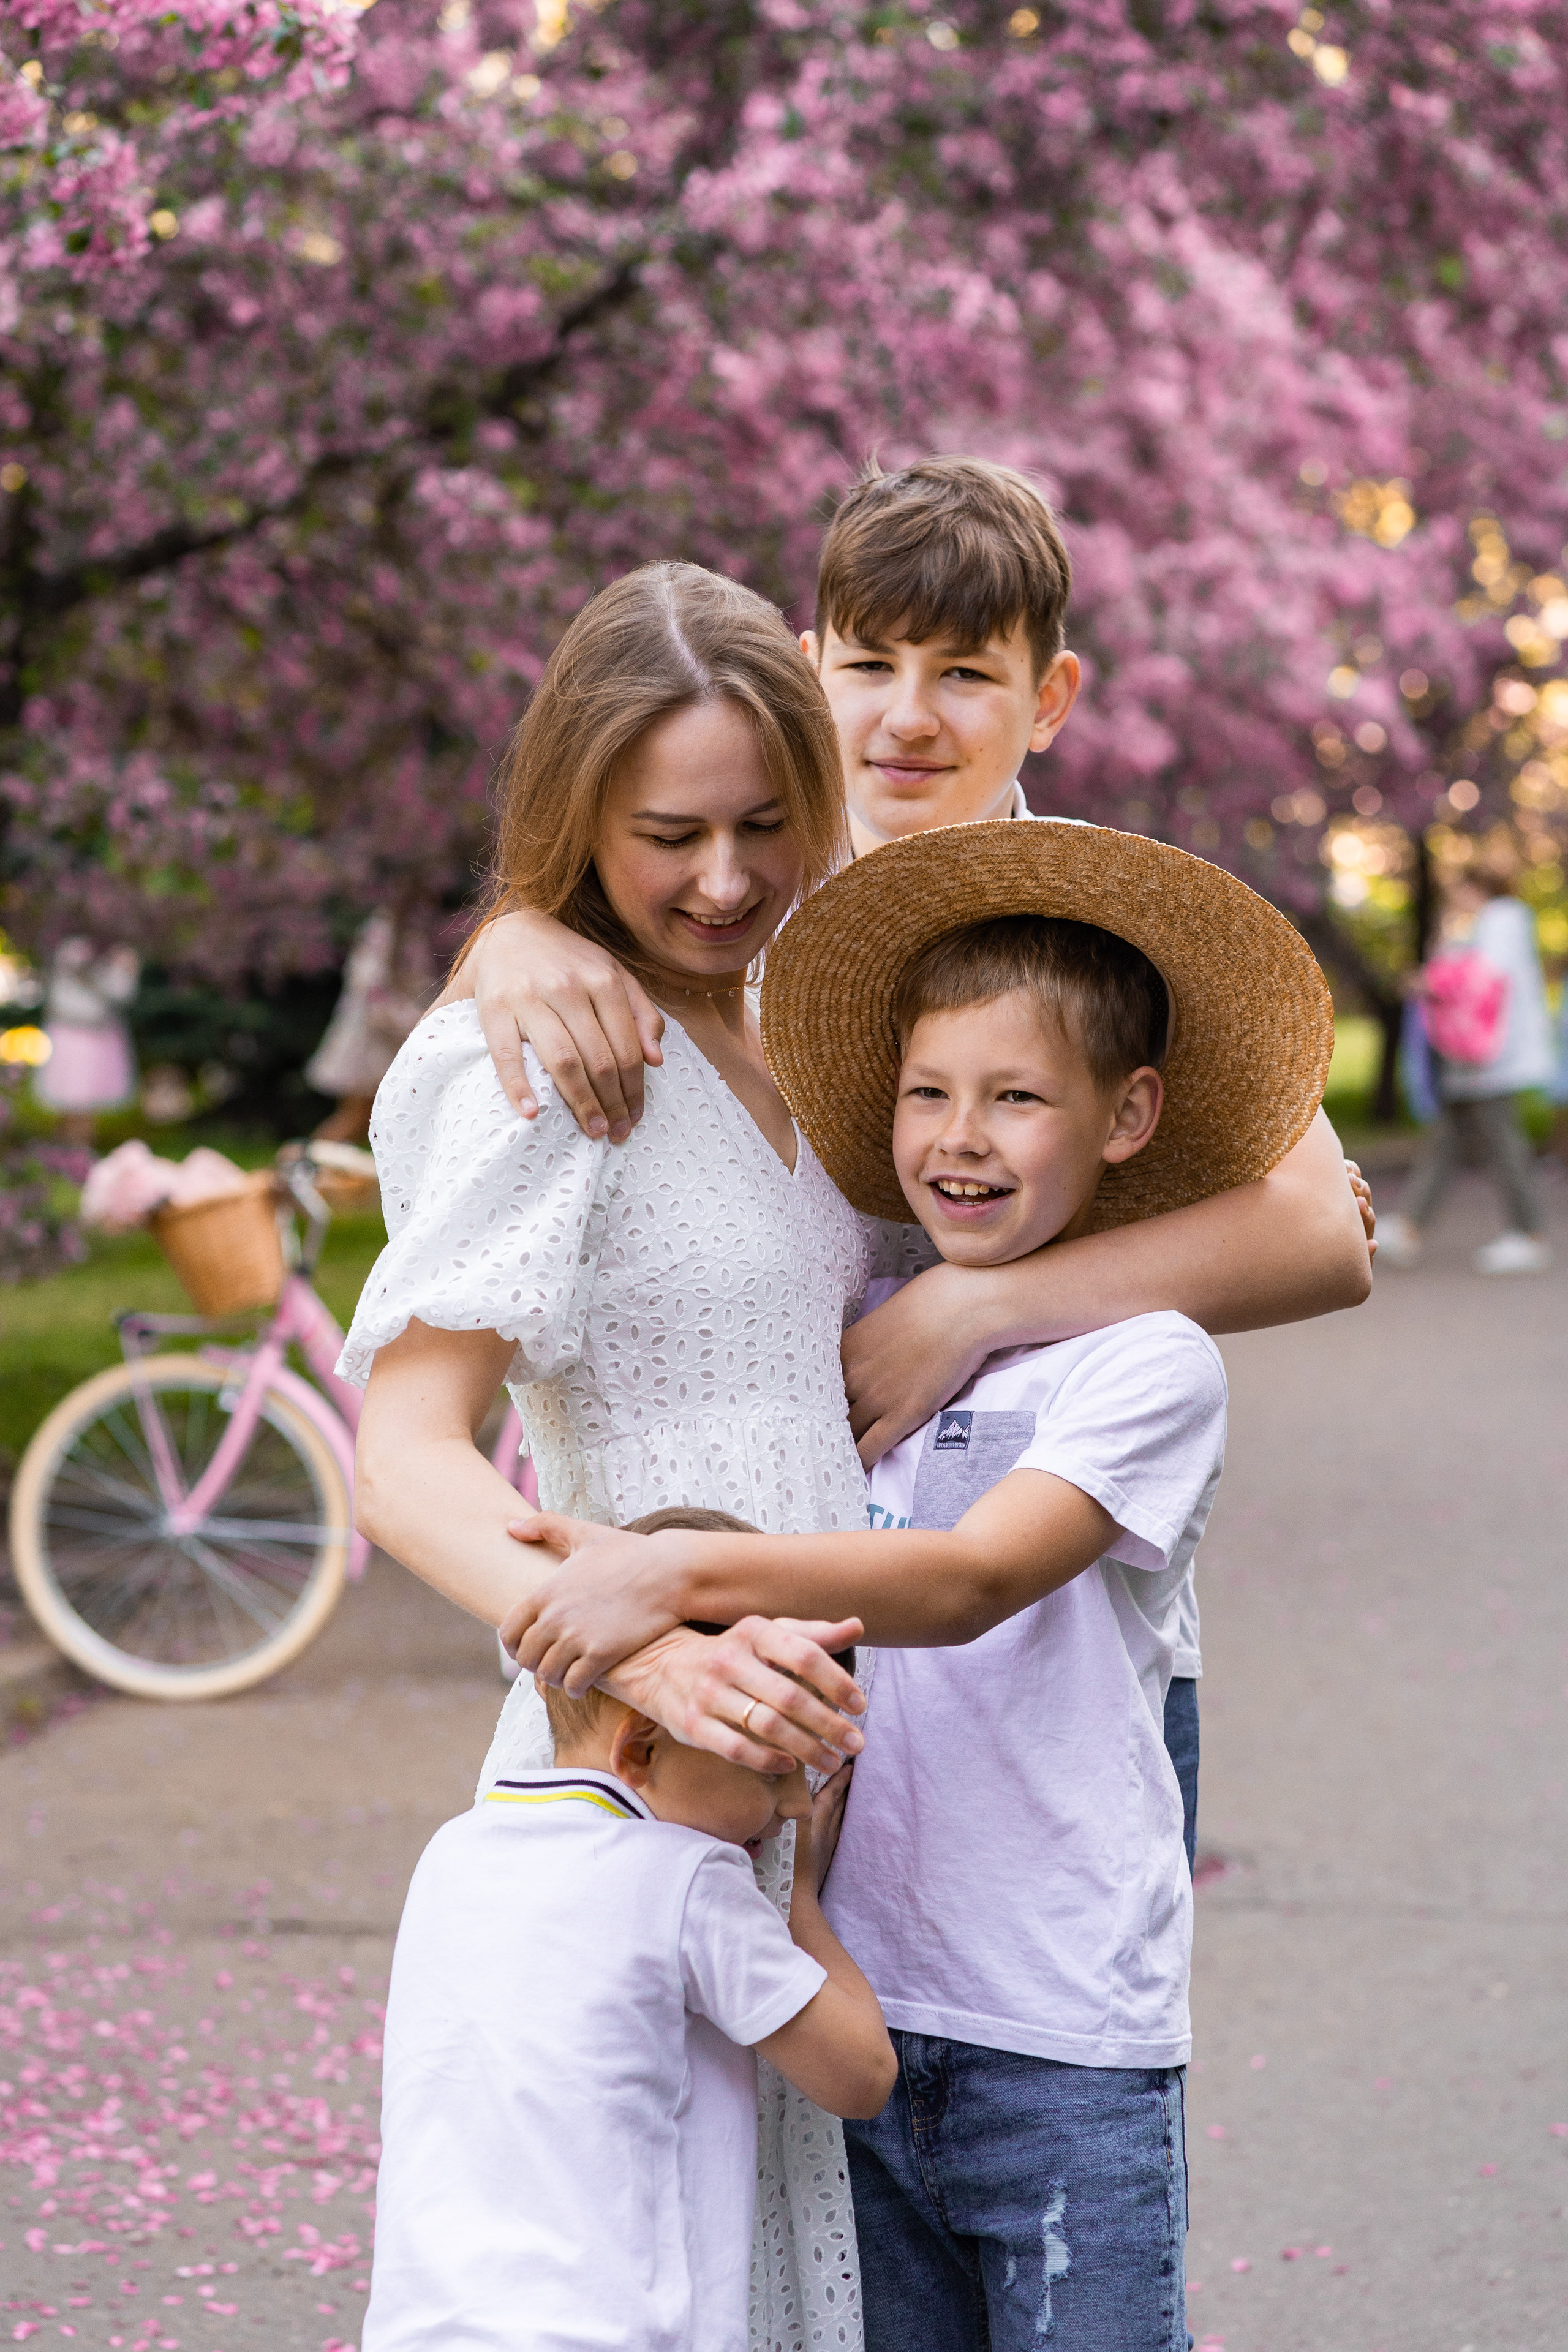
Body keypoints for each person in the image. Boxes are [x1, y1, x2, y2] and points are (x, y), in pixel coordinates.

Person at [452, 457, 1376, 1868]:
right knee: (808, 2044)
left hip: (1049, 1625)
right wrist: (513, 933)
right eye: (868, 661)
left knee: (1050, 2040)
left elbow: (1322, 1230)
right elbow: (584, 906)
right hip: (796, 1600)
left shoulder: (1088, 918)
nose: (905, 715)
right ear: (807, 662)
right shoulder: (742, 895)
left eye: (962, 674)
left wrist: (968, 1306)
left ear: (1047, 698)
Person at [502, 818, 1333, 2350]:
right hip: (856, 2013)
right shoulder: (874, 1325)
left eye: (1016, 1098)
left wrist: (669, 1567)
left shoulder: (1144, 1364)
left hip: (1059, 2032)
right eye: (926, 1094)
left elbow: (966, 1578)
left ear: (1126, 1113)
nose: (959, 1134)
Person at [343, 562, 903, 2352]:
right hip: (648, 1768)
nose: (726, 877)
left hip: (801, 1774)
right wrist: (632, 1639)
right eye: (668, 831)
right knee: (636, 2282)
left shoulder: (801, 1024)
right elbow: (404, 1453)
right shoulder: (544, 1055)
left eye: (765, 822)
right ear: (576, 808)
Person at [363, 1506, 893, 2352]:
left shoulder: (451, 1855)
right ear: (643, 1746)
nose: (795, 1803)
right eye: (774, 1764)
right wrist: (794, 1891)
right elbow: (862, 2073)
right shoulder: (687, 1882)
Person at [1380, 863, 1554, 1275]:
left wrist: (1432, 981)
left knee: (1502, 1142)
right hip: (1473, 1061)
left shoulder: (1502, 919)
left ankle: (1529, 1233)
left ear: (1478, 884)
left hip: (1491, 1059)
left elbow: (1481, 979)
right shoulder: (1486, 924)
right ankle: (1409, 1227)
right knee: (1448, 1140)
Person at [306, 905, 434, 1142]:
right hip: (369, 1043)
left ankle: (310, 1165)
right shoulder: (384, 930)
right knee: (356, 1115)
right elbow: (372, 993)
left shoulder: (412, 928)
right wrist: (420, 1021)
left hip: (386, 1040)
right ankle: (305, 1166)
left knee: (366, 1117)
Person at [35, 938, 140, 1147]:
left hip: (97, 1039)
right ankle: (67, 1146)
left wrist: (125, 970)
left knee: (85, 1101)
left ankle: (81, 1148)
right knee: (70, 1098)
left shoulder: (115, 958)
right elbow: (59, 1002)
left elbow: (121, 994)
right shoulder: (70, 955)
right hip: (72, 1037)